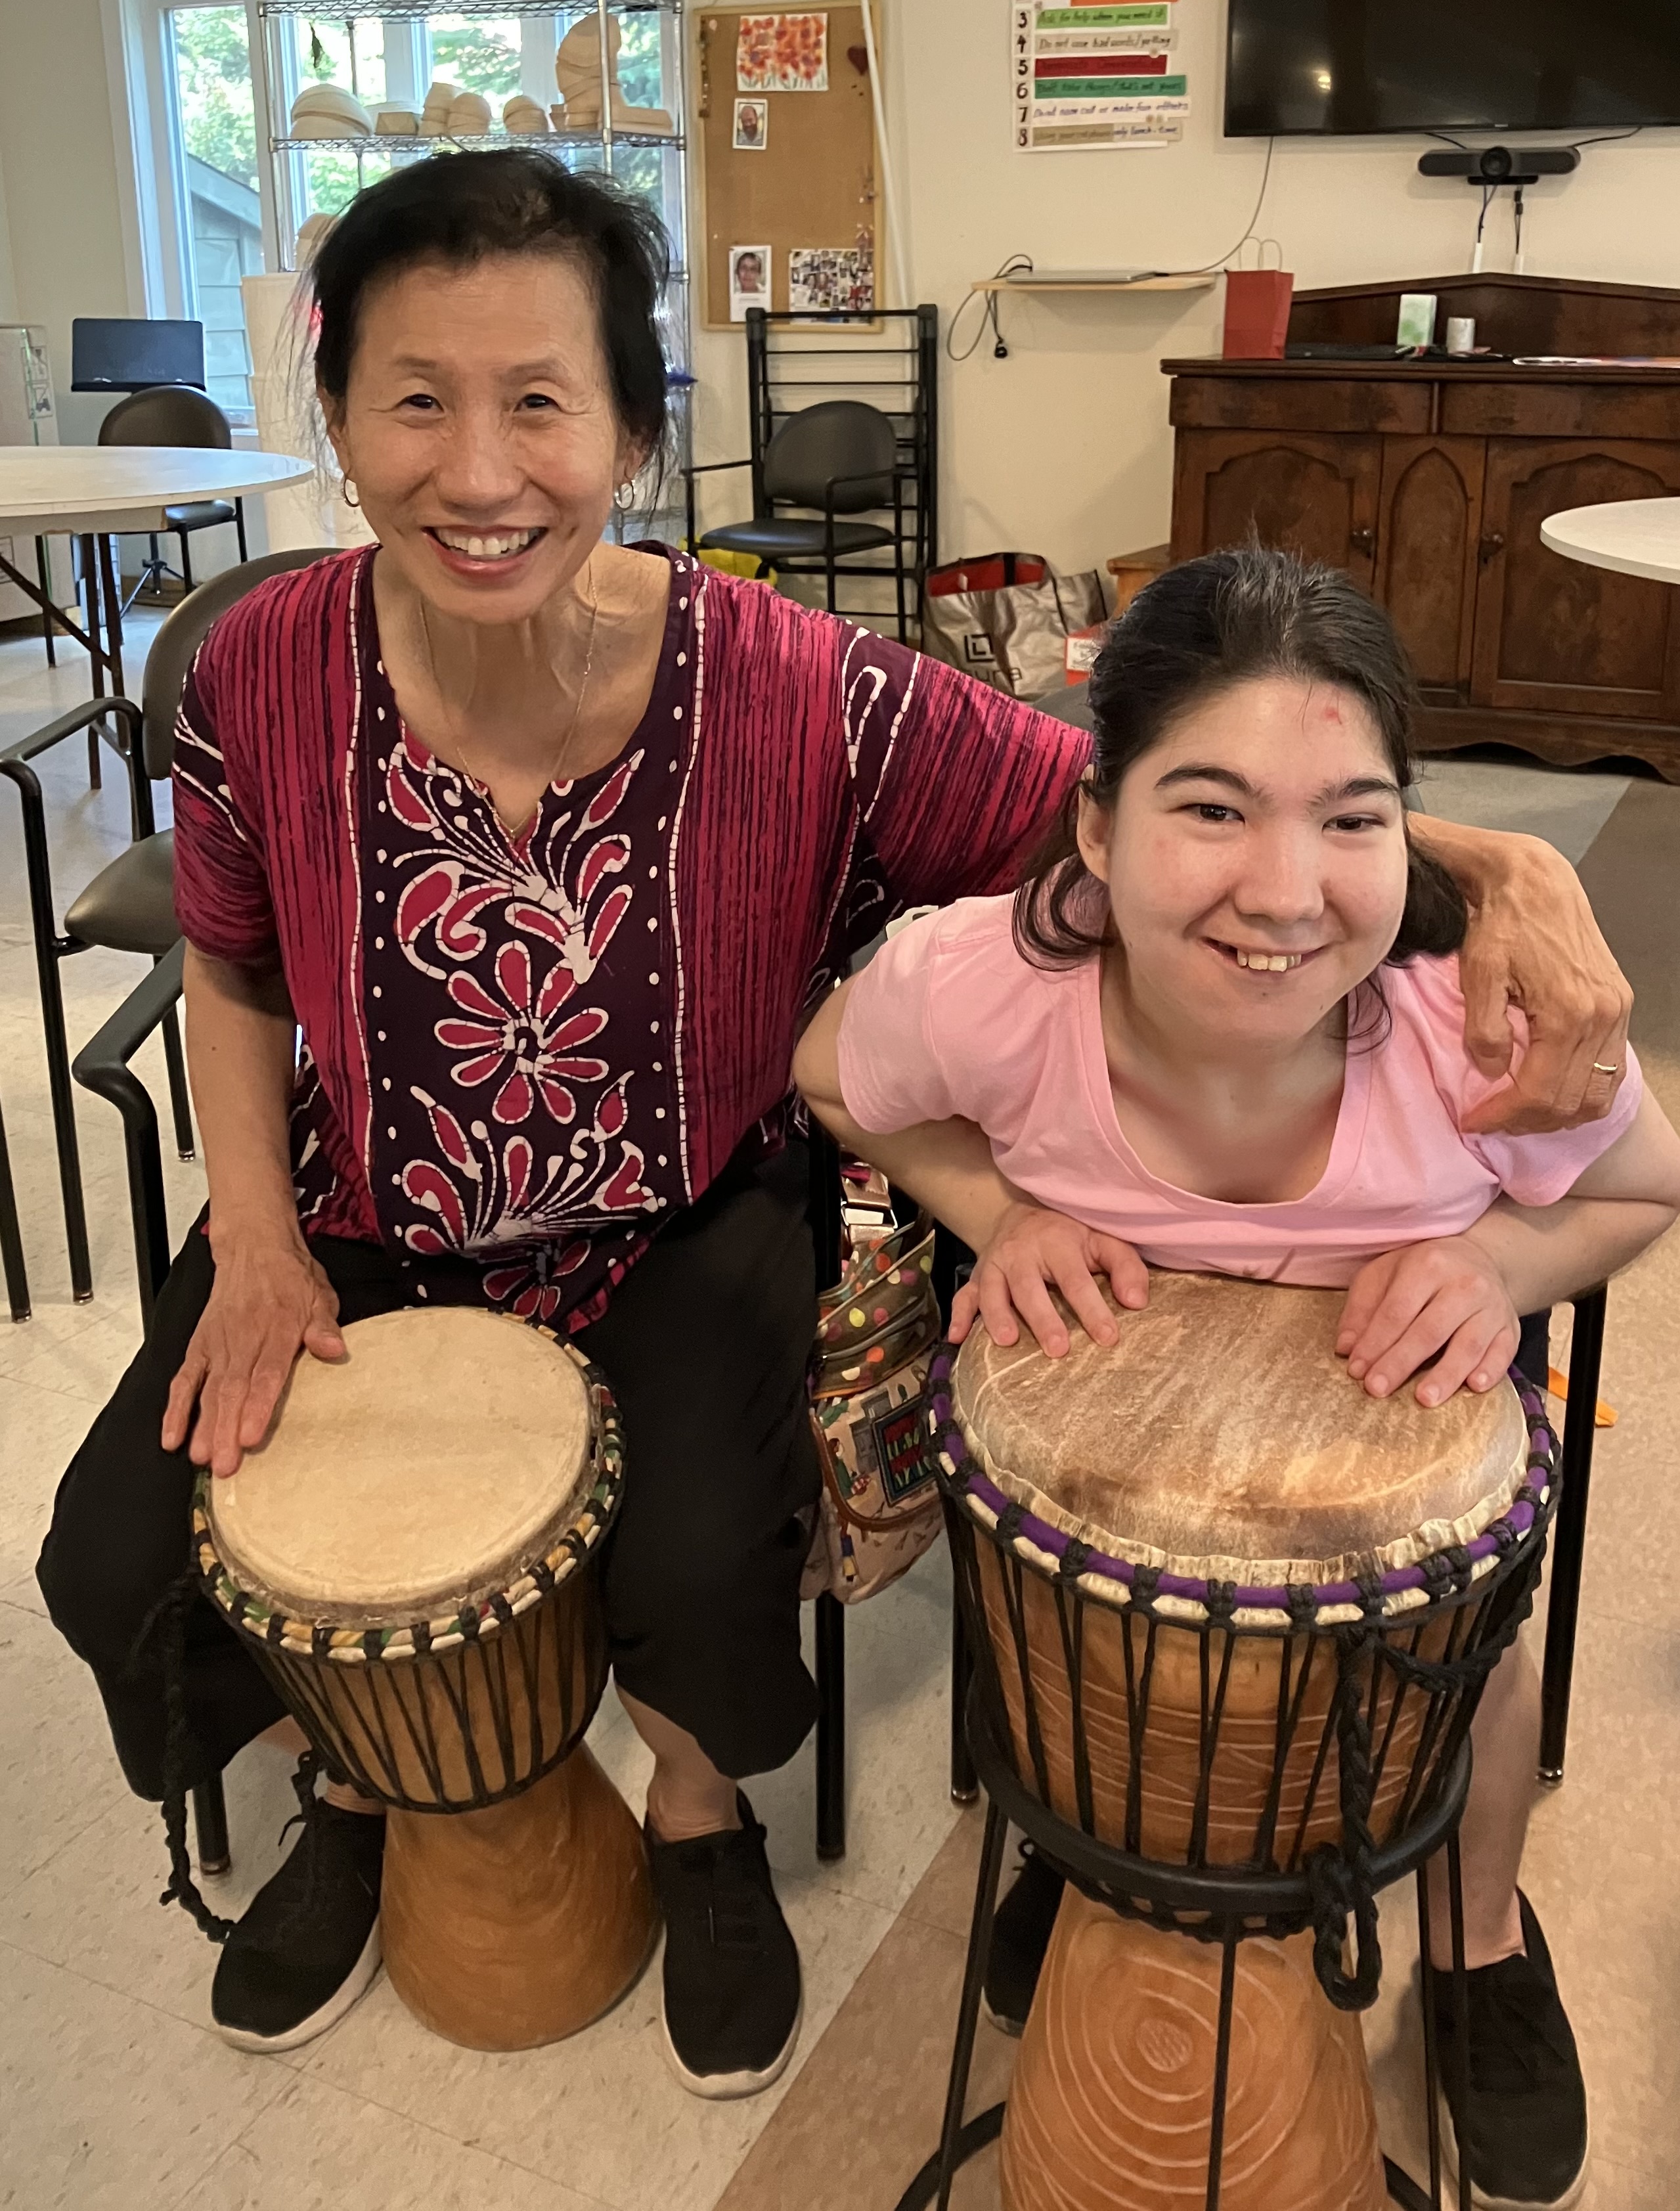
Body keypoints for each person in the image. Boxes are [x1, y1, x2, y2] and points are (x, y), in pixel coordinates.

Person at [33, 147, 1631, 2100]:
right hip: (358, 1210)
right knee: (116, 1538)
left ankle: (696, 1814)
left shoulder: (796, 680)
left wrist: (1482, 860)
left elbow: (1136, 797)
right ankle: (356, 1779)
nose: (478, 469)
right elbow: (230, 967)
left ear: (628, 424)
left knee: (709, 1551)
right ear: (339, 414)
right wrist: (261, 1237)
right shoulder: (257, 671)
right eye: (416, 399)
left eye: (539, 399)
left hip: (686, 1209)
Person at [795, 545, 1680, 2207]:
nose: (1287, 893)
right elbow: (831, 1076)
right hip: (1112, 1542)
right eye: (1210, 809)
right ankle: (1089, 1851)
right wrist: (1001, 1211)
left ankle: (1479, 1938)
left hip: (1388, 1549)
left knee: (1473, 1662)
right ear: (1095, 829)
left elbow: (1647, 1180)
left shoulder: (1468, 1018)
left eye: (1352, 819)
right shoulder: (995, 992)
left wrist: (1494, 1265)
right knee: (1066, 1653)